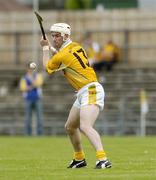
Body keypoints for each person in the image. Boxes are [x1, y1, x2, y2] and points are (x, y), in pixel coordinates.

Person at [40, 23, 112, 169]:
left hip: (91, 90)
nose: (54, 38)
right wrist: (53, 49)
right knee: (70, 127)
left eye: (57, 35)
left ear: (66, 36)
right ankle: (79, 158)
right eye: (53, 35)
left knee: (85, 126)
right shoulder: (76, 46)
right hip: (83, 91)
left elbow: (47, 67)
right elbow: (63, 57)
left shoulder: (62, 54)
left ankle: (102, 158)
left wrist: (45, 48)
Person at [20, 62, 44, 135]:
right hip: (28, 99)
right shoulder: (24, 78)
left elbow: (39, 83)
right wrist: (33, 85)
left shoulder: (37, 76)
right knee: (28, 118)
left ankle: (40, 134)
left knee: (39, 118)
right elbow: (23, 88)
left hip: (37, 98)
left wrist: (30, 85)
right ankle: (28, 134)